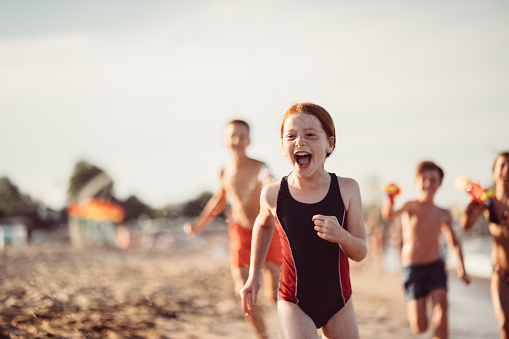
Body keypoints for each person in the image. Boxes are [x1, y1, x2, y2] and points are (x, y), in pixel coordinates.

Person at [240, 103, 367, 339]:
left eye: (310, 134)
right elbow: (264, 224)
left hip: (339, 301)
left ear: (330, 143)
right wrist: (253, 275)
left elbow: (360, 252)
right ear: (282, 146)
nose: (300, 141)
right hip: (293, 300)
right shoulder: (272, 194)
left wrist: (342, 236)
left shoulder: (347, 189)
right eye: (291, 136)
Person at [183, 119, 281, 339]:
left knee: (274, 294)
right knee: (243, 290)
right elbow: (219, 200)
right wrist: (199, 225)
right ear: (225, 140)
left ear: (249, 140)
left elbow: (270, 179)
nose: (237, 140)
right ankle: (263, 337)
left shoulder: (259, 166)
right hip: (241, 233)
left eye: (242, 136)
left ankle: (294, 329)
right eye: (232, 136)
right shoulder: (224, 172)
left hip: (267, 229)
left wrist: (272, 181)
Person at [382, 161, 471, 339]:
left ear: (439, 184)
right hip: (412, 270)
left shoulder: (443, 213)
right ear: (416, 182)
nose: (428, 183)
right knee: (420, 326)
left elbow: (454, 242)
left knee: (442, 313)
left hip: (435, 267)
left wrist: (462, 269)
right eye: (424, 179)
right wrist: (388, 198)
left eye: (433, 180)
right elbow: (389, 215)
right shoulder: (410, 206)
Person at [461, 152, 509, 338]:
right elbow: (466, 225)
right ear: (494, 172)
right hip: (501, 273)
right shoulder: (488, 202)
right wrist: (471, 206)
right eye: (502, 165)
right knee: (505, 323)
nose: (506, 170)